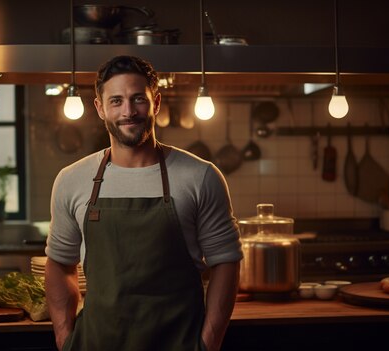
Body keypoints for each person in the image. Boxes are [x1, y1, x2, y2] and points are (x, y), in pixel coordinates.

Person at [45, 55, 242, 351]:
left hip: (178, 343)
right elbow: (59, 264)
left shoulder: (200, 176)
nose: (128, 111)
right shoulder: (72, 179)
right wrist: (64, 338)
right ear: (100, 108)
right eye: (116, 101)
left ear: (156, 102)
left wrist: (207, 344)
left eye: (138, 99)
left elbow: (226, 261)